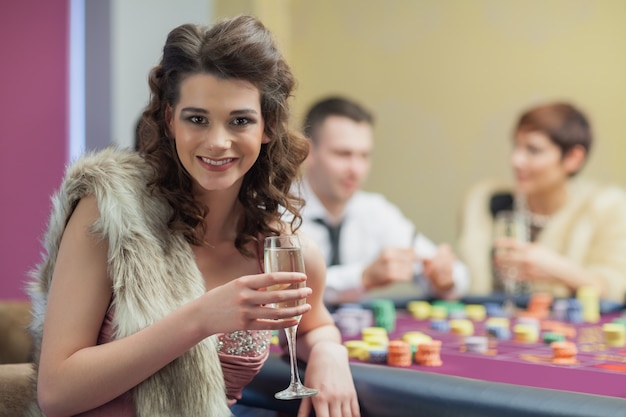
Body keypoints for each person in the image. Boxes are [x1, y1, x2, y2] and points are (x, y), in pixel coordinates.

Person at [26, 16, 359, 417]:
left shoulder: (277, 246)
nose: (218, 142)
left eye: (240, 121)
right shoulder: (109, 213)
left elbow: (313, 324)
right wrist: (199, 319)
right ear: (170, 120)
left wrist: (329, 352)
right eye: (197, 119)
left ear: (268, 126)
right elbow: (57, 393)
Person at [297, 96, 470, 305]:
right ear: (306, 151)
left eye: (364, 156)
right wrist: (362, 277)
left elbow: (458, 276)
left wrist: (444, 279)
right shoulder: (274, 210)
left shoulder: (375, 211)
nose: (356, 169)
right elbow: (285, 291)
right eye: (343, 154)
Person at [458, 101, 626, 303]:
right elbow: (470, 287)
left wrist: (558, 270)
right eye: (516, 146)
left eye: (533, 150)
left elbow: (616, 289)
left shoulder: (606, 207)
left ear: (574, 158)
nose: (516, 160)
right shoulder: (488, 203)